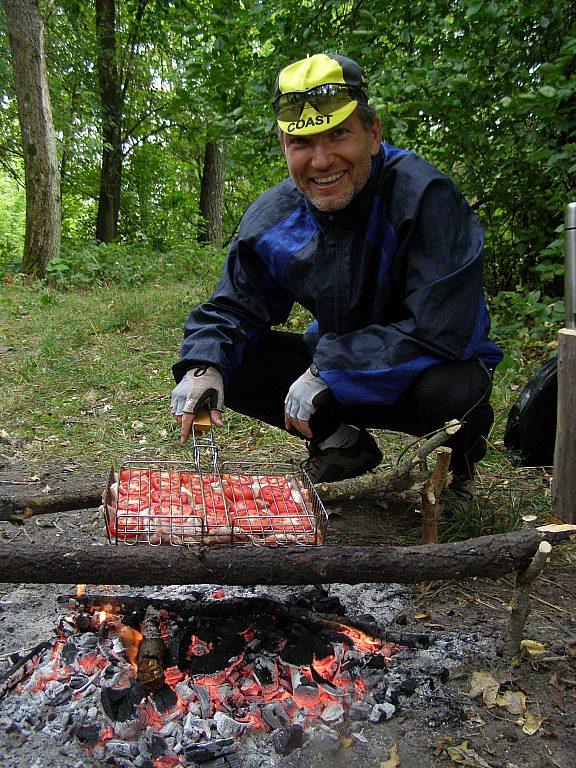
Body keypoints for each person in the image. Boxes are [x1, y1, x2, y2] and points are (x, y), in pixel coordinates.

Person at [171, 52, 503, 486]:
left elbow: (442, 329)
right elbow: (233, 307)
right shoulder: (274, 216)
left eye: (339, 135)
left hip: (418, 376)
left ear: (373, 133)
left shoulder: (425, 198)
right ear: (284, 148)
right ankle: (341, 444)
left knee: (458, 391)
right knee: (232, 356)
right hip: (332, 371)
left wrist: (327, 369)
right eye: (302, 144)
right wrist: (203, 366)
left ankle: (455, 464)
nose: (322, 161)